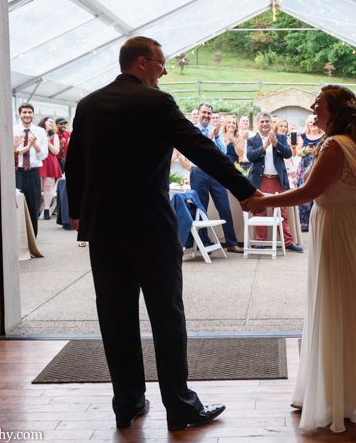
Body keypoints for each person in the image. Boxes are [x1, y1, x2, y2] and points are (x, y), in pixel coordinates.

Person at [65, 36, 261, 432]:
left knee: (115, 315)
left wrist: (82, 217)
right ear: (141, 62)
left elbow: (75, 163)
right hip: (150, 226)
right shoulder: (156, 103)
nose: (164, 70)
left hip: (104, 228)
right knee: (167, 316)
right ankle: (180, 406)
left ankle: (127, 402)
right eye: (160, 63)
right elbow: (201, 148)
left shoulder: (89, 105)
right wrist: (246, 192)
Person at [245, 85, 356, 432]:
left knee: (338, 306)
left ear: (336, 110)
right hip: (351, 226)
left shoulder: (333, 145)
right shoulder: (354, 142)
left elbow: (310, 191)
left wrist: (261, 202)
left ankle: (339, 393)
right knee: (352, 309)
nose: (313, 106)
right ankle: (348, 390)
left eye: (319, 102)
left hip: (340, 232)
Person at [188, 103, 243, 253]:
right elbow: (198, 148)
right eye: (204, 112)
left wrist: (217, 136)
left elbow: (223, 151)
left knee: (224, 207)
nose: (206, 115)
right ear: (198, 113)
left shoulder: (215, 131)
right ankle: (204, 242)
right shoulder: (192, 130)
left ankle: (231, 243)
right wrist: (210, 137)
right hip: (198, 172)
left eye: (209, 113)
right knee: (201, 208)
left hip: (215, 174)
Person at [246, 113, 302, 252]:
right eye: (262, 122)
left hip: (277, 179)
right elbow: (251, 156)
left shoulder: (281, 137)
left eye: (267, 121)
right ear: (257, 124)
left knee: (282, 211)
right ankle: (260, 241)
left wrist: (276, 143)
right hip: (260, 180)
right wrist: (264, 146)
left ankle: (288, 242)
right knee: (260, 210)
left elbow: (288, 154)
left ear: (271, 123)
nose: (265, 124)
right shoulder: (252, 140)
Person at [13, 103, 47, 237]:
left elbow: (43, 155)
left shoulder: (40, 131)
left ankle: (33, 240)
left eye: (29, 112)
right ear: (19, 114)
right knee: (17, 205)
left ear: (33, 114)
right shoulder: (14, 130)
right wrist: (18, 148)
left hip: (33, 173)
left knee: (33, 206)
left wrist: (35, 145)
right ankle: (18, 240)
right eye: (24, 112)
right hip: (17, 172)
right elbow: (9, 152)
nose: (27, 115)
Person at [295, 114, 325, 232]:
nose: (312, 124)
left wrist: (316, 151)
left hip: (319, 166)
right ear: (307, 124)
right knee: (303, 193)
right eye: (310, 122)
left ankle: (317, 222)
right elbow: (297, 152)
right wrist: (305, 150)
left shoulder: (324, 136)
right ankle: (304, 223)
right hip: (304, 167)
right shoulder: (302, 136)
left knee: (318, 194)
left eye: (314, 122)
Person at [37, 116, 62, 220]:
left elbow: (56, 151)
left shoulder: (54, 135)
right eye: (50, 121)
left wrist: (47, 142)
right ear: (44, 122)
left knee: (48, 186)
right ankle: (38, 209)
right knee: (38, 186)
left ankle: (46, 210)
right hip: (39, 161)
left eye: (53, 122)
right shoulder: (37, 132)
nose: (52, 124)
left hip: (50, 161)